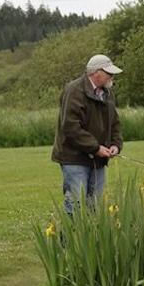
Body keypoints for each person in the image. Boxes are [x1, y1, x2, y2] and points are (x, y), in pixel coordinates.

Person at [51, 54, 123, 214]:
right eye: (109, 73)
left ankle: (93, 239)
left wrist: (115, 145)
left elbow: (115, 123)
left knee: (96, 206)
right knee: (75, 204)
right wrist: (96, 148)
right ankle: (68, 239)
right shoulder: (74, 90)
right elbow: (70, 127)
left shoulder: (108, 94)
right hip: (74, 158)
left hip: (98, 160)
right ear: (97, 73)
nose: (112, 77)